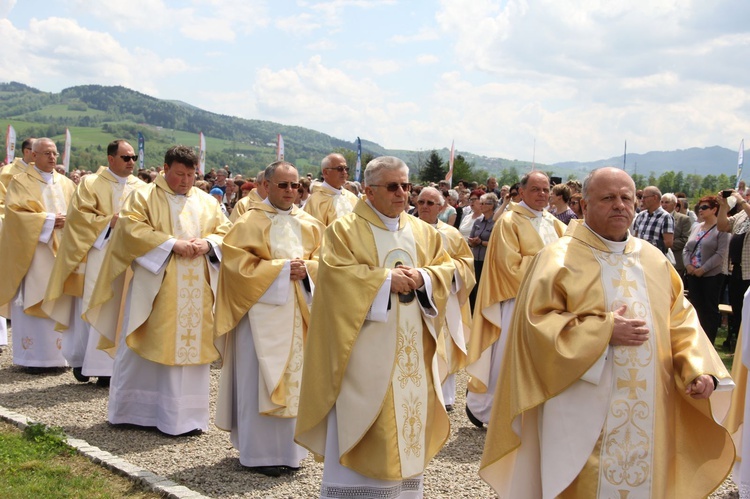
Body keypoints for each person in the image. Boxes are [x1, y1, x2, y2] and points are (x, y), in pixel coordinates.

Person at [479, 167, 734, 498]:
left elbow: (681, 320)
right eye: (608, 198)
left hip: (649, 411)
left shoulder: (654, 259)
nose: (620, 205)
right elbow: (534, 327)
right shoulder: (557, 259)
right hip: (580, 409)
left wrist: (696, 368)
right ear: (584, 205)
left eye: (627, 198)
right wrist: (604, 330)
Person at [295, 156, 454, 498]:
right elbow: (335, 278)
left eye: (406, 186)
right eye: (392, 186)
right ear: (368, 190)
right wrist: (383, 281)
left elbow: (450, 270)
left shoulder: (424, 232)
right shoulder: (345, 230)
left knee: (407, 429)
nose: (402, 194)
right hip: (365, 355)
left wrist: (424, 277)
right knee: (369, 429)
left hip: (412, 357)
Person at [85, 145, 231, 436]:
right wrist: (171, 244)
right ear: (165, 169)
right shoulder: (143, 196)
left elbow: (227, 230)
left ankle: (185, 417)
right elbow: (130, 230)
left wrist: (209, 244)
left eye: (191, 174)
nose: (185, 180)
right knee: (143, 340)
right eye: (179, 174)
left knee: (190, 349)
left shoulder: (206, 201)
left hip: (197, 291)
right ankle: (132, 411)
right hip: (156, 287)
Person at [214, 161, 324, 477]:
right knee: (257, 381)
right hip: (258, 316)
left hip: (300, 312)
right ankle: (256, 454)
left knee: (296, 381)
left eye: (295, 186)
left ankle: (291, 453)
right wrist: (278, 271)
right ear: (267, 186)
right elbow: (235, 267)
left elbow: (326, 263)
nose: (290, 191)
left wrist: (309, 271)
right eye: (282, 185)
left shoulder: (311, 224)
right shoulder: (250, 221)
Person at [465, 171, 565, 427]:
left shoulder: (554, 223)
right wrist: (550, 263)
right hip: (517, 300)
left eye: (546, 190)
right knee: (508, 358)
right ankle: (490, 411)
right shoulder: (509, 222)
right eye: (536, 189)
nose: (543, 194)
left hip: (550, 303)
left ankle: (532, 412)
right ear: (521, 192)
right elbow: (508, 267)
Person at [42, 140, 145, 386]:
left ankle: (118, 366)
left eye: (133, 158)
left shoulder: (143, 188)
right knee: (100, 304)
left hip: (131, 258)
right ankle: (96, 365)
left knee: (125, 308)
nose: (131, 162)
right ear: (111, 159)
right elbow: (79, 218)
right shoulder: (91, 183)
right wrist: (110, 222)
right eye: (125, 158)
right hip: (101, 253)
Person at [0, 138, 76, 372]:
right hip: (36, 252)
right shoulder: (20, 182)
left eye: (54, 153)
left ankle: (60, 356)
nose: (52, 157)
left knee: (61, 299)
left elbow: (77, 213)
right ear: (33, 156)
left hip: (62, 252)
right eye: (46, 153)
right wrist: (50, 220)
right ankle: (33, 358)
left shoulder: (66, 183)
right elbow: (15, 214)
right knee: (37, 297)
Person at [417, 187, 475, 412]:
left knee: (446, 344)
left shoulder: (451, 233)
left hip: (444, 297)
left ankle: (446, 397)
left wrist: (446, 272)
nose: (424, 206)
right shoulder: (405, 229)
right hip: (415, 295)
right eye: (421, 201)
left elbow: (466, 263)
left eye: (431, 203)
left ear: (441, 208)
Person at [683, 196, 729, 346]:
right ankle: (695, 339)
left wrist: (703, 269)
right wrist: (688, 265)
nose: (700, 210)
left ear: (714, 209)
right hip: (693, 274)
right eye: (699, 207)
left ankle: (708, 342)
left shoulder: (721, 228)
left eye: (704, 208)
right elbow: (687, 248)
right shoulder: (696, 226)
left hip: (712, 275)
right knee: (695, 307)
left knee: (709, 309)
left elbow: (721, 254)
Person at [718, 190, 750, 351]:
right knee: (738, 311)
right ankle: (739, 348)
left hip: (749, 273)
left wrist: (741, 200)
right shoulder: (742, 215)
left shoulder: (746, 210)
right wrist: (723, 207)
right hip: (737, 271)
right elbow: (722, 226)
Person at [303, 153, 359, 225]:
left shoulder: (352, 198)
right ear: (326, 172)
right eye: (340, 169)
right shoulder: (315, 201)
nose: (344, 172)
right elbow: (314, 232)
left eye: (346, 169)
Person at [467, 192, 497, 312]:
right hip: (476, 259)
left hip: (488, 261)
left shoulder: (497, 222)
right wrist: (472, 242)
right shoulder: (478, 221)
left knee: (484, 288)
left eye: (484, 203)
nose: (481, 205)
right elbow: (471, 239)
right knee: (474, 287)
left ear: (491, 206)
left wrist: (481, 242)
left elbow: (497, 243)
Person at [633, 186, 674, 253]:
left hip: (656, 258)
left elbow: (668, 242)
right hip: (640, 257)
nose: (642, 200)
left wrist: (647, 245)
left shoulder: (665, 217)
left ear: (655, 197)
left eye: (645, 197)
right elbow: (636, 236)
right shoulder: (641, 215)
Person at [661, 193, 691, 275]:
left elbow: (684, 240)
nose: (663, 205)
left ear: (674, 204)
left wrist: (663, 244)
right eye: (662, 202)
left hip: (675, 262)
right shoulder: (656, 218)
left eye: (666, 202)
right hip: (658, 261)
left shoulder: (684, 219)